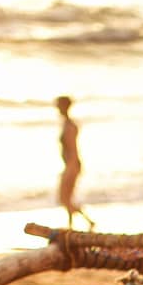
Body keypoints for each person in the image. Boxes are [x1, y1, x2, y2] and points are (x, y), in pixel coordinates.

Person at [54, 95, 93, 230]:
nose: (57, 108)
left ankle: (82, 222)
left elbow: (72, 149)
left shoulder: (70, 126)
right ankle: (76, 223)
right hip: (69, 164)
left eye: (58, 105)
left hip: (72, 164)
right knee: (66, 198)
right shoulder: (67, 123)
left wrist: (71, 167)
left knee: (65, 198)